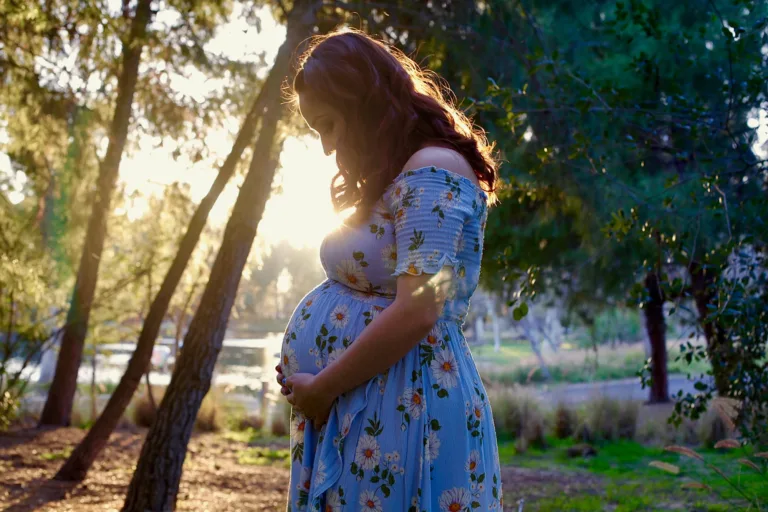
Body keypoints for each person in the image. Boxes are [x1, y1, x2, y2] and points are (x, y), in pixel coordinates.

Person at [274, 28, 503, 512]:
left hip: (408, 404)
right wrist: (313, 377)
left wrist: (327, 384)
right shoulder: (397, 174)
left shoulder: (434, 168)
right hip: (366, 403)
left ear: (362, 102)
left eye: (328, 124)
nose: (326, 147)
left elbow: (420, 311)